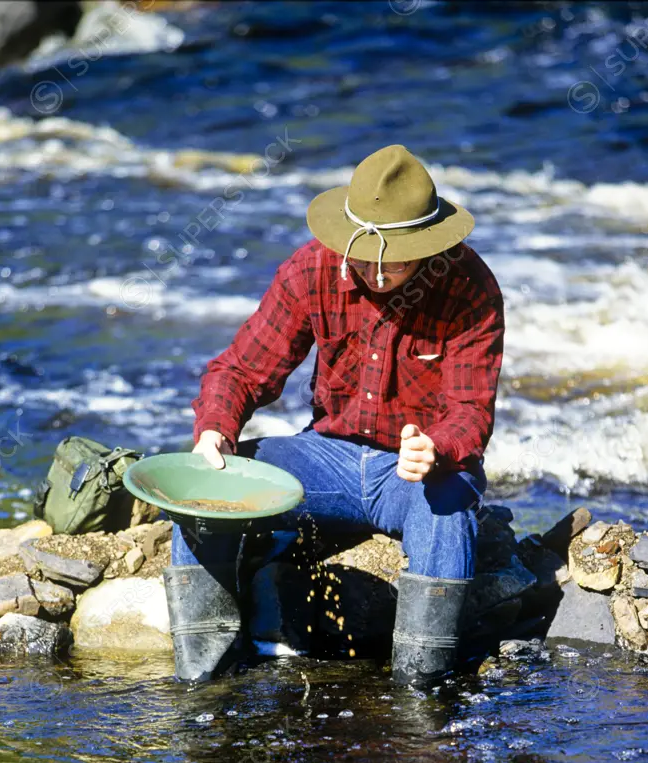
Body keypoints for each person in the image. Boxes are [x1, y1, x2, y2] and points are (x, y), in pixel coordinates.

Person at [164, 144, 504, 684]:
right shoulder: (311, 270)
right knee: (205, 491)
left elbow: (470, 412)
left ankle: (420, 693)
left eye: (394, 259)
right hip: (325, 458)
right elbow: (240, 371)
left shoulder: (470, 288)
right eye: (366, 256)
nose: (378, 272)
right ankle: (203, 684)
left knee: (449, 511)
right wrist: (215, 430)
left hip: (415, 474)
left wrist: (436, 445)